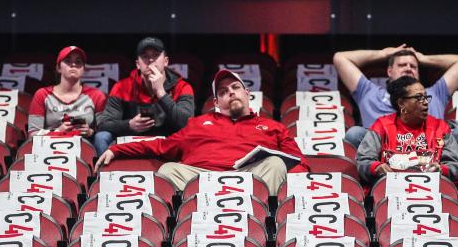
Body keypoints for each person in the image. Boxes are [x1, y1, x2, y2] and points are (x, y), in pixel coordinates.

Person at [96, 69, 307, 192]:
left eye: (235, 88)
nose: (231, 93)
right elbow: (161, 146)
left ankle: (258, 216)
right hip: (202, 180)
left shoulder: (274, 127)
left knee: (276, 163)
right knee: (168, 170)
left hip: (250, 180)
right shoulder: (198, 123)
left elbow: (298, 163)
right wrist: (117, 150)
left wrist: (294, 186)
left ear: (247, 93)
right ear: (216, 101)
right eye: (223, 92)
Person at [333, 44, 458, 146]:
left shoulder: (434, 93)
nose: (408, 68)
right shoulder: (369, 92)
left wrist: (423, 58)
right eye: (402, 65)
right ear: (389, 71)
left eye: (413, 66)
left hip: (429, 148)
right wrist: (382, 54)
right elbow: (340, 58)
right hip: (383, 149)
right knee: (355, 133)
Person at [356, 77, 458, 184]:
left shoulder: (440, 127)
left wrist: (441, 169)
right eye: (419, 97)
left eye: (425, 97)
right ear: (401, 103)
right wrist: (377, 167)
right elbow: (363, 161)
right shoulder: (381, 126)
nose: (425, 102)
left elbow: (455, 166)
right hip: (390, 189)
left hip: (432, 189)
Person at [96, 36, 194, 142]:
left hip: (169, 144)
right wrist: (129, 125)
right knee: (101, 137)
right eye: (145, 56)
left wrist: (161, 93)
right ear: (138, 64)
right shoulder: (121, 87)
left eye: (156, 55)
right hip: (131, 143)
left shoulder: (182, 87)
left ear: (166, 61)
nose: (151, 60)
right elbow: (104, 124)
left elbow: (187, 124)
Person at [28, 45, 112, 153]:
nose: (73, 64)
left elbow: (105, 131)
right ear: (58, 68)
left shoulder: (97, 95)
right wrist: (58, 131)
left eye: (78, 62)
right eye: (68, 61)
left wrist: (90, 132)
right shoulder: (42, 94)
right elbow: (32, 134)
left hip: (85, 151)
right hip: (49, 150)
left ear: (83, 69)